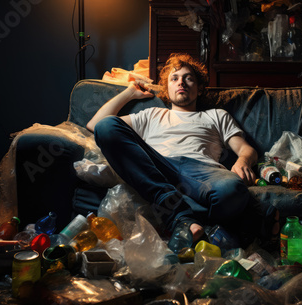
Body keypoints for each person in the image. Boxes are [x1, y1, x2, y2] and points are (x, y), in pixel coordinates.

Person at [87, 53, 276, 250]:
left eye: (189, 78)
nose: (181, 83)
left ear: (199, 88)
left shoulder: (216, 115)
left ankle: (184, 218)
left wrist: (243, 161)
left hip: (202, 174)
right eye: (174, 78)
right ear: (167, 89)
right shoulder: (151, 114)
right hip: (159, 168)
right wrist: (129, 92)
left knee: (232, 190)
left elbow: (246, 149)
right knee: (107, 127)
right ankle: (188, 218)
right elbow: (96, 125)